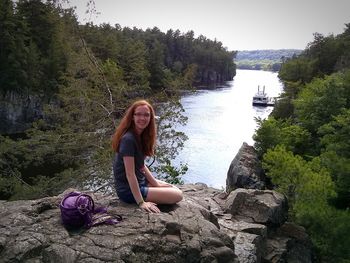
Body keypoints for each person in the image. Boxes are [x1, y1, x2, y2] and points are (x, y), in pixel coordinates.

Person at [112, 100, 183, 213]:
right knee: (178, 195)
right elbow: (130, 174)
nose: (142, 118)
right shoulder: (128, 139)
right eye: (138, 114)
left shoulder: (141, 136)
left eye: (146, 115)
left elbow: (141, 165)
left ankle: (152, 190)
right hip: (128, 190)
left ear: (151, 118)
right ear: (132, 117)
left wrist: (155, 183)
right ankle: (140, 197)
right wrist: (141, 202)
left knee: (173, 188)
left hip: (140, 182)